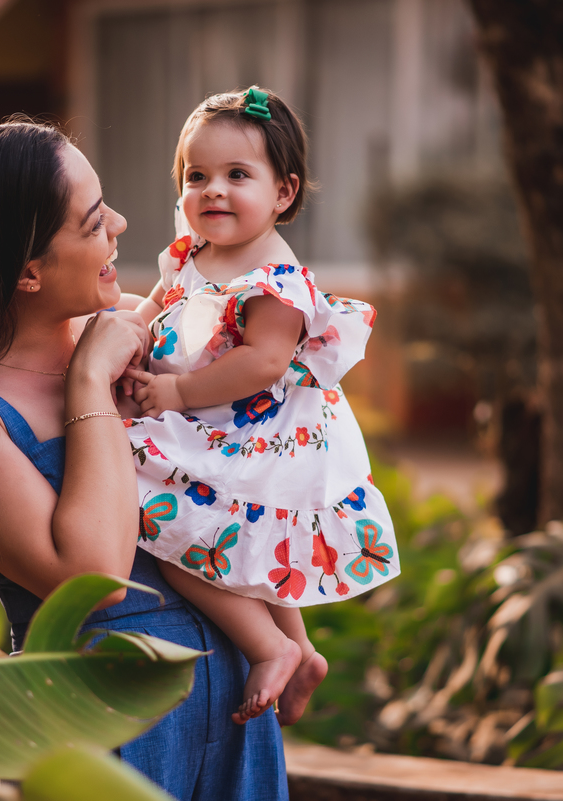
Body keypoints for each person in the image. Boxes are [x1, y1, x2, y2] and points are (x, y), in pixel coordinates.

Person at [0, 118, 288, 801]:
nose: (118, 222)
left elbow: (231, 462)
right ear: (29, 270)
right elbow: (97, 577)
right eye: (91, 223)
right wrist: (89, 384)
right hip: (101, 724)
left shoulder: (127, 332)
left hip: (231, 705)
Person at [124, 87, 400, 726]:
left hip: (257, 435)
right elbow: (160, 305)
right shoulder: (194, 252)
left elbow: (264, 362)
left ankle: (268, 645)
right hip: (214, 425)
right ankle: (302, 653)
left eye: (237, 176)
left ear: (284, 193)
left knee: (183, 544)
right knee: (249, 546)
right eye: (198, 176)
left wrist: (175, 393)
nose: (212, 190)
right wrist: (129, 337)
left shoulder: (272, 280)